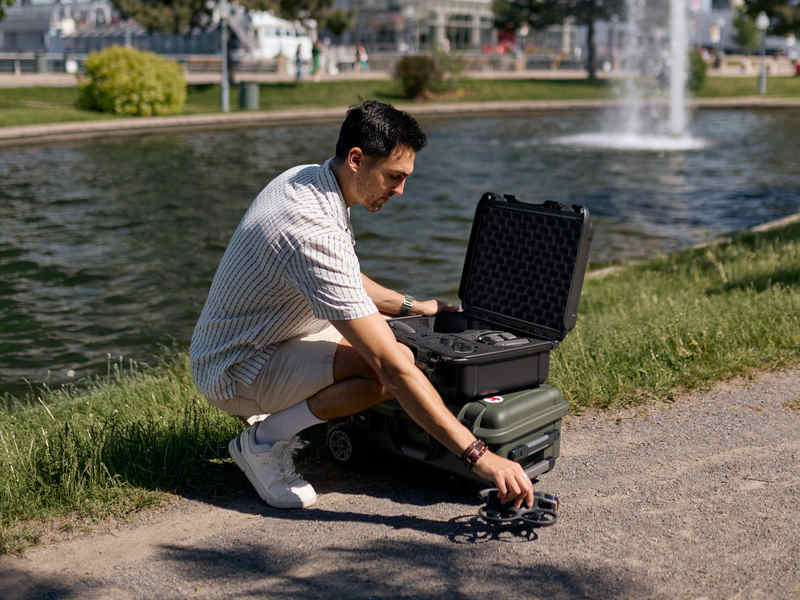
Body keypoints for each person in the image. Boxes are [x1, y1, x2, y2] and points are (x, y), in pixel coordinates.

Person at [189, 101, 534, 511]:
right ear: (357, 159)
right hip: (234, 367)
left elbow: (344, 281)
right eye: (394, 176)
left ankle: (297, 416)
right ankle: (263, 441)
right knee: (385, 371)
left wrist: (414, 307)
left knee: (395, 342)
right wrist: (480, 455)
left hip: (274, 333)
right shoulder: (311, 230)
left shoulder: (308, 179)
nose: (400, 190)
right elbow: (391, 366)